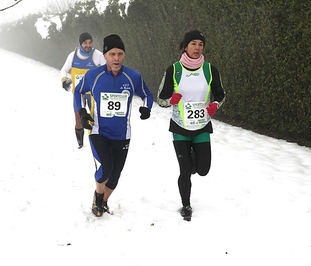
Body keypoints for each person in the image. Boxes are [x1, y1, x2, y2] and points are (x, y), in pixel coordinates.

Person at [74, 34, 153, 217]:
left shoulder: (133, 76)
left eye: (120, 54)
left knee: (115, 176)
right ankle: (98, 195)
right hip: (98, 131)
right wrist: (82, 112)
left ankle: (102, 202)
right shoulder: (94, 75)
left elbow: (147, 94)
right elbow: (78, 92)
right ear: (105, 56)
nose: (116, 58)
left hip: (122, 134)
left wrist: (146, 108)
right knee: (106, 169)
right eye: (112, 54)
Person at [157, 29, 226, 221]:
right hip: (180, 127)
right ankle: (186, 205)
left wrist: (215, 105)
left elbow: (221, 94)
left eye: (201, 44)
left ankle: (194, 157)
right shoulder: (174, 70)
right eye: (193, 43)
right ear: (185, 46)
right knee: (185, 170)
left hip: (202, 126)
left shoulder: (210, 70)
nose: (197, 48)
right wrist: (171, 100)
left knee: (203, 170)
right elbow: (160, 98)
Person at [60, 32, 106, 148]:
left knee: (94, 117)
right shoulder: (73, 56)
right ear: (80, 44)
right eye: (85, 43)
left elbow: (108, 67)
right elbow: (64, 70)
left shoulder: (97, 55)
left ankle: (95, 140)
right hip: (78, 93)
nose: (88, 45)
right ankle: (80, 142)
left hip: (92, 93)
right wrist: (64, 80)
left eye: (90, 42)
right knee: (78, 117)